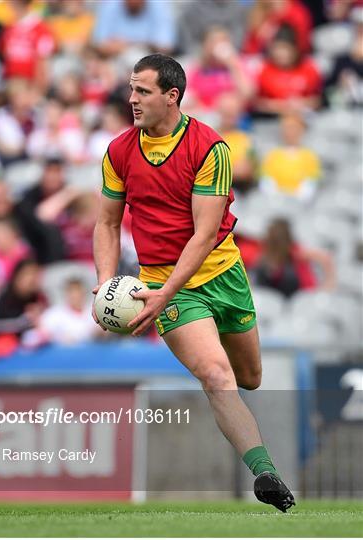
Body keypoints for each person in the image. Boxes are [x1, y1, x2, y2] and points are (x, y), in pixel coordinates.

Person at [93, 53, 295, 512]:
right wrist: (107, 282)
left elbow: (205, 235)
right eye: (131, 89)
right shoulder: (119, 151)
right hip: (166, 285)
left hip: (222, 273)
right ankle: (265, 472)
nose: (132, 99)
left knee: (250, 377)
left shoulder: (209, 148)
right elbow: (106, 224)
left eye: (142, 91)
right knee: (216, 374)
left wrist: (166, 290)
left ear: (172, 96)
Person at [251, 218, 336, 297]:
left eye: (279, 243)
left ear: (288, 243)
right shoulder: (258, 260)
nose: (276, 247)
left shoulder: (298, 259)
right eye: (273, 242)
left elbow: (324, 259)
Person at [260, 113, 321, 200]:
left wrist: (297, 197)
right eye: (287, 128)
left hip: (300, 201)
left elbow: (310, 182)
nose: (290, 132)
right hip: (275, 200)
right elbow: (267, 181)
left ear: (302, 130)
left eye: (294, 128)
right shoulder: (272, 155)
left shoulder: (310, 156)